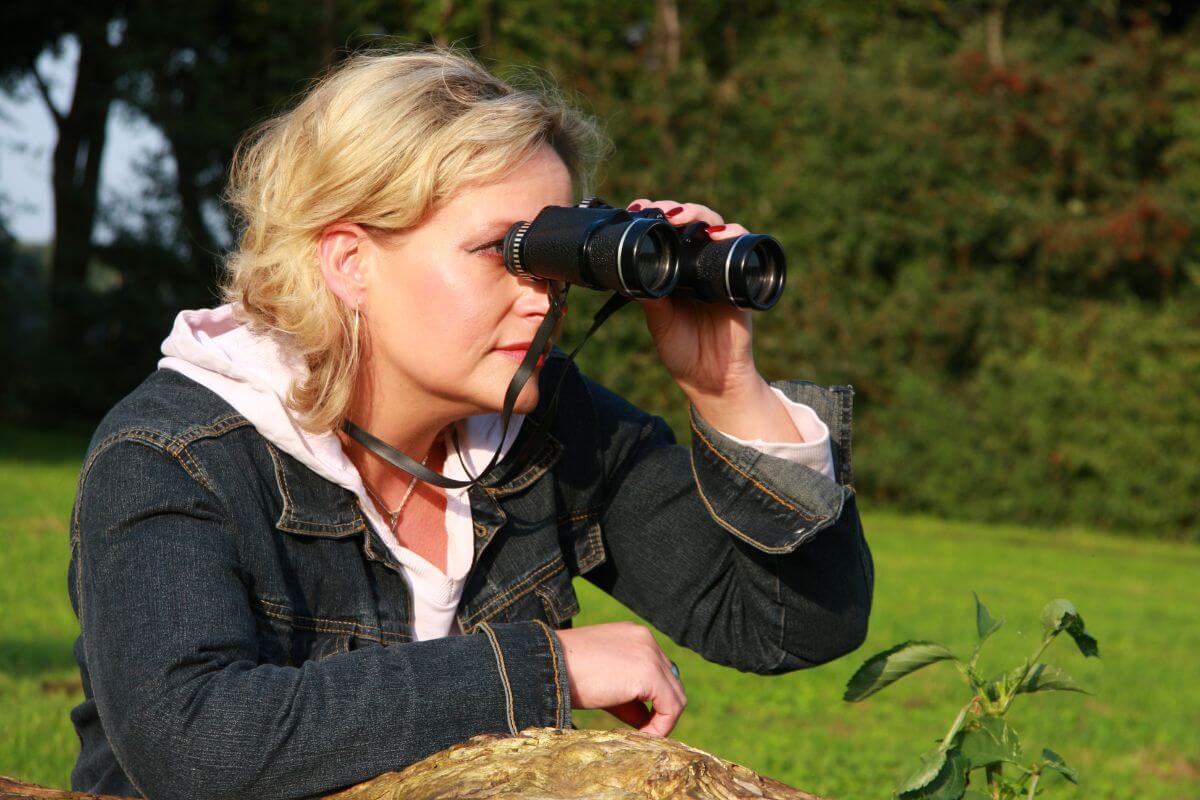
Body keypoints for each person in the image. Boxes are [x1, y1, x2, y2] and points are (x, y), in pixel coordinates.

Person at [66, 46, 874, 800]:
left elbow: (789, 628)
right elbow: (194, 741)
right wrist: (540, 667)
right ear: (348, 261)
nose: (541, 295)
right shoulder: (176, 455)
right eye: (500, 251)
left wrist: (727, 386)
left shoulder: (546, 427)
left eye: (554, 257)